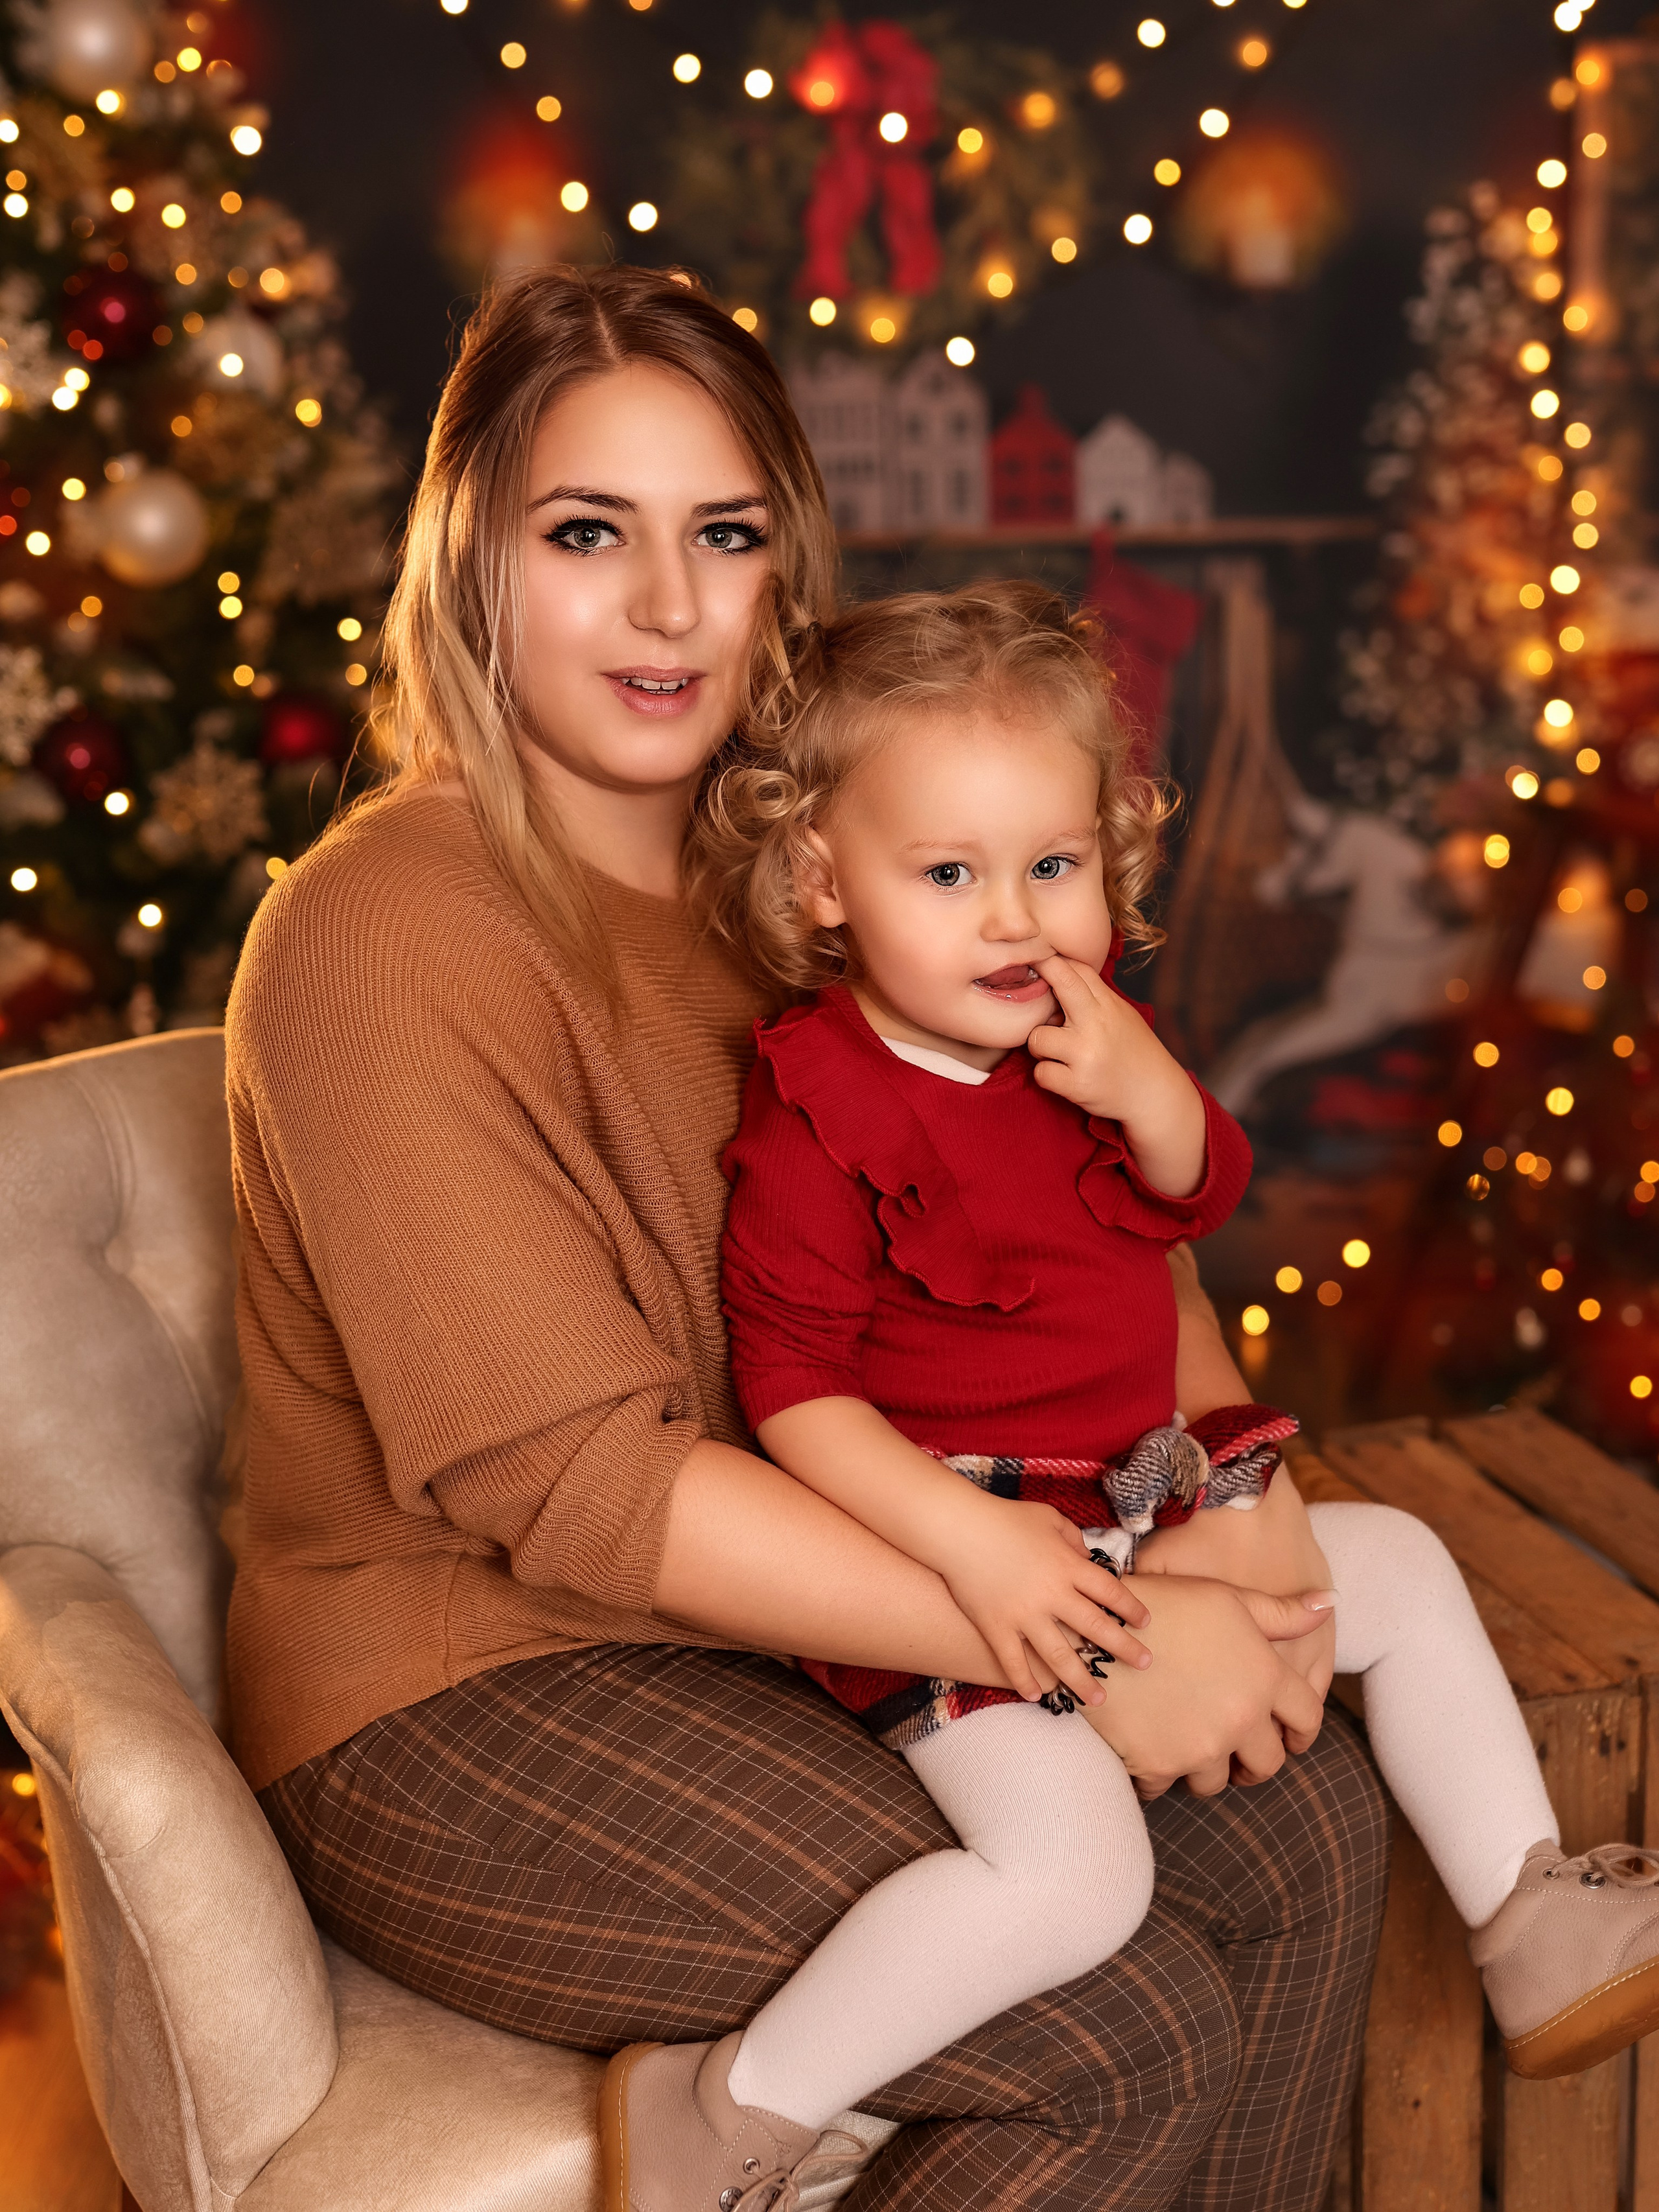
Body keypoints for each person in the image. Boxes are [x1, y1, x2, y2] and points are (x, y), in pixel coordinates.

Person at [226, 263, 1390, 2212]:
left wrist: (1226, 1489)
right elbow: (573, 1483)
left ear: (790, 565)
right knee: (1126, 2020)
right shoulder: (381, 935)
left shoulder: (834, 868)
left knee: (1314, 1825)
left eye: (729, 535)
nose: (671, 606)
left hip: (791, 1631)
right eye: (588, 532)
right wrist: (1097, 1652)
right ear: (469, 563)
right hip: (466, 1695)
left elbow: (1083, 1205)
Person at [595, 581, 1659, 2203]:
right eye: (947, 876)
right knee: (1077, 1881)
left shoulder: (1080, 1043)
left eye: (1052, 866)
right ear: (824, 884)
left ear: (1110, 853)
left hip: (1125, 1514)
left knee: (1394, 1572)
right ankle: (729, 2103)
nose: (1012, 920)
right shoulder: (823, 1105)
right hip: (950, 1564)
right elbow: (792, 1389)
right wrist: (973, 1558)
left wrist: (1158, 1098)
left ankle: (1527, 1916)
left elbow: (1189, 1201)